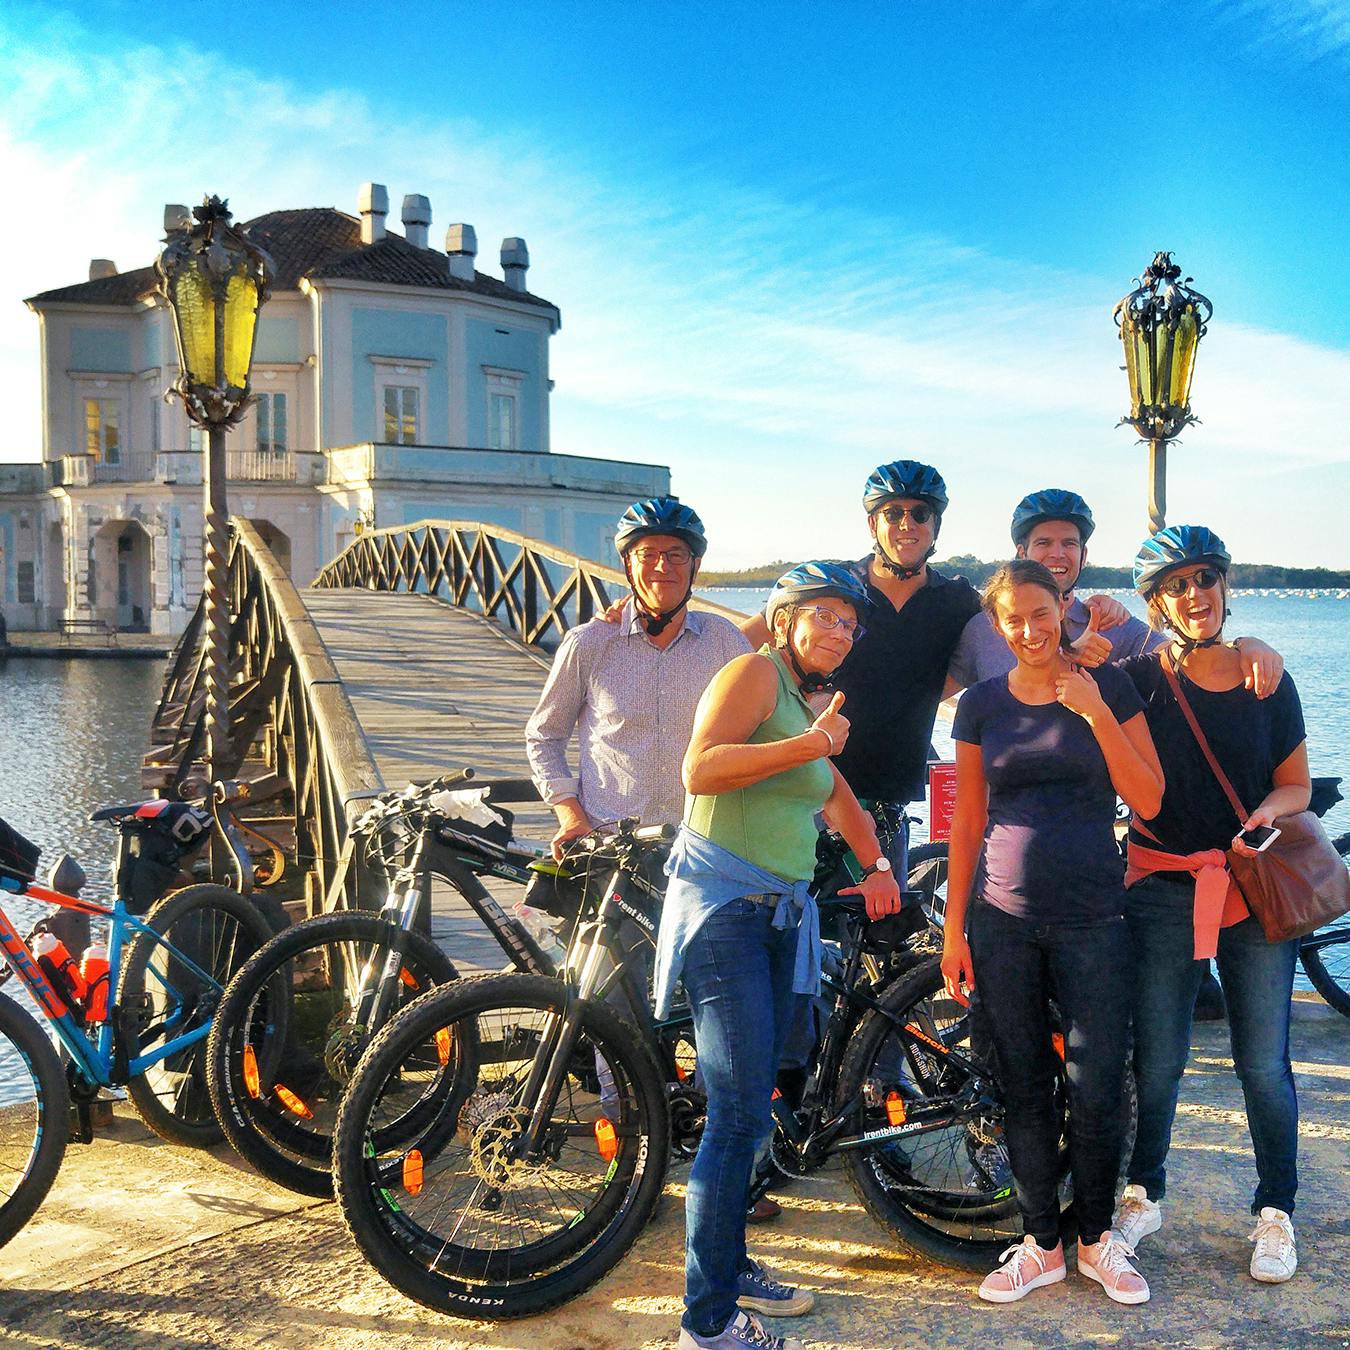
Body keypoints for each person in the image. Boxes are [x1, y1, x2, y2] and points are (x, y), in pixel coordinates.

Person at [657, 562, 903, 1350]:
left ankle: (727, 1263)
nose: (839, 631)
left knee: (757, 1101)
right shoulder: (755, 672)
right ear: (786, 617)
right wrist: (808, 740)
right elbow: (700, 768)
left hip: (776, 920)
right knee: (734, 1115)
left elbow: (836, 797)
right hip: (726, 912)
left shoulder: (806, 705)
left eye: (848, 623)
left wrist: (880, 869)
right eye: (824, 616)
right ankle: (709, 1321)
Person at [941, 558, 1164, 1307]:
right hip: (1001, 921)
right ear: (997, 626)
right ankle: (1042, 1243)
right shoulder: (979, 703)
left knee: (1098, 1083)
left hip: (1094, 917)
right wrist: (953, 929)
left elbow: (1151, 797)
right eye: (1015, 620)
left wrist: (1095, 710)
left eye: (1043, 613)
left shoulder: (1110, 686)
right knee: (1024, 1084)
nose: (1031, 630)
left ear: (1065, 608)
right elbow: (968, 818)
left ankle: (1097, 1239)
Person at [1113, 526, 1308, 1285]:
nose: (1195, 596)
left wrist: (1267, 814)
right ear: (1156, 601)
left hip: (1252, 891)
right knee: (1158, 1059)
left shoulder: (1269, 679)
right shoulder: (1138, 679)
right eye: (1177, 585)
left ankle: (1276, 1210)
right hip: (1164, 890)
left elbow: (1296, 781)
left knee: (1264, 1062)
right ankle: (1142, 1192)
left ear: (1225, 586)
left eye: (1206, 580)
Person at [743, 460, 982, 879]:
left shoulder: (958, 600)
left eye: (920, 513)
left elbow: (1015, 634)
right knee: (795, 926)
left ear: (935, 525)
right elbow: (737, 644)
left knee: (879, 937)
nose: (907, 524)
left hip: (886, 799)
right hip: (806, 791)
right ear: (873, 523)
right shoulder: (837, 585)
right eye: (893, 513)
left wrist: (921, 697)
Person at [525, 495, 751, 858]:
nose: (662, 566)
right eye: (648, 554)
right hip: (610, 842)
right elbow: (544, 737)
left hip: (703, 844)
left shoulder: (724, 640)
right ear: (628, 564)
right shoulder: (589, 643)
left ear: (695, 565)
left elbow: (767, 726)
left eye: (676, 554)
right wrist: (569, 815)